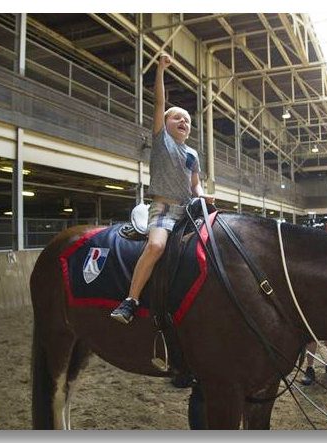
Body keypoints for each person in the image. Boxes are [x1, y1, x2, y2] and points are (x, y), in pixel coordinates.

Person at [111, 54, 214, 324]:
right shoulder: (161, 142)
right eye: (177, 118)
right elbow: (158, 102)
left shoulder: (192, 153)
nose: (183, 122)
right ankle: (130, 301)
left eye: (187, 120)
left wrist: (202, 195)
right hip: (164, 209)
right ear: (165, 124)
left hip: (188, 210)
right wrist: (159, 70)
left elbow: (195, 184)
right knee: (156, 246)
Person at [301, 216, 327, 385]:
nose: (325, 228)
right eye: (323, 225)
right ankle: (310, 368)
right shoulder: (309, 246)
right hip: (312, 295)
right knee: (311, 334)